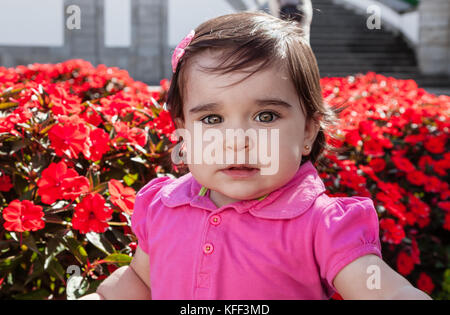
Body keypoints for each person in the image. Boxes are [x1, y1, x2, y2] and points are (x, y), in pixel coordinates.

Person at [78, 11, 432, 300]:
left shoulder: (320, 225)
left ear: (308, 130)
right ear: (183, 131)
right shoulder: (164, 206)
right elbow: (141, 280)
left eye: (266, 116)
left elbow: (381, 289)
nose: (237, 141)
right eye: (212, 119)